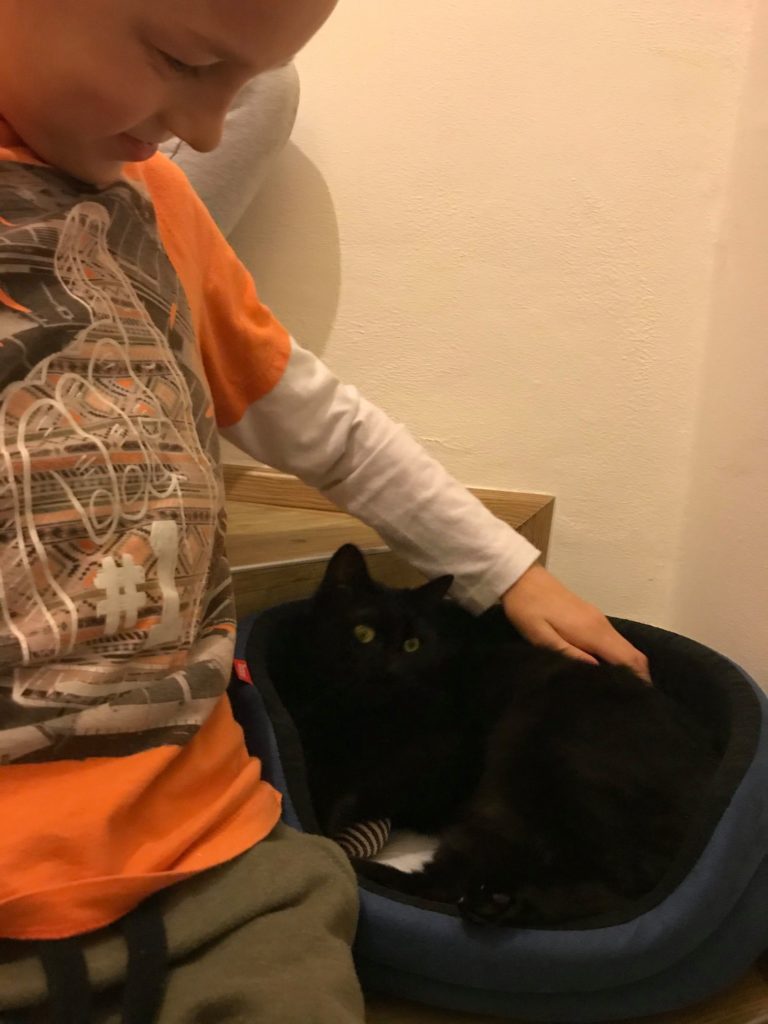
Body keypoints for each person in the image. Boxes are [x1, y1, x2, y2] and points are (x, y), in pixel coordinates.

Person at [0, 1, 650, 1020]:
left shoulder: (162, 208)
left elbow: (327, 426)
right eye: (181, 59)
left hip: (219, 861)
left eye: (244, 87)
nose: (207, 129)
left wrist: (509, 569)